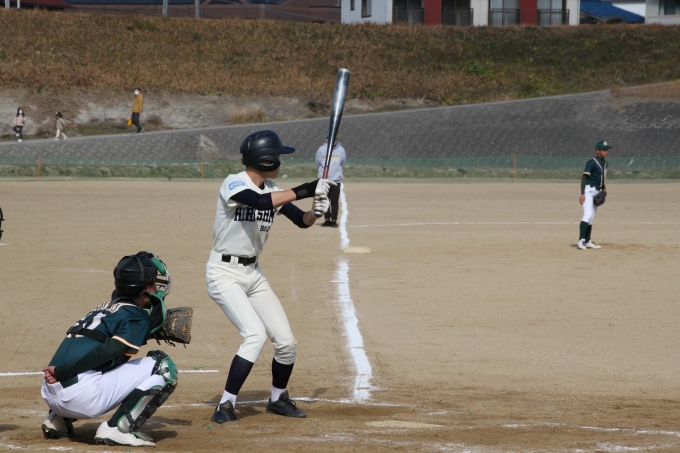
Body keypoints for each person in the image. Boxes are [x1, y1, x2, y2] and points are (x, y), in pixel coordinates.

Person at [206, 129, 333, 423]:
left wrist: (315, 212)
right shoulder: (234, 183)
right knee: (255, 335)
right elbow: (259, 202)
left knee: (286, 341)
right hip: (223, 273)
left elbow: (300, 220)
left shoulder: (273, 189)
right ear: (264, 160)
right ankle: (225, 405)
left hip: (253, 273)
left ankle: (278, 399)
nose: (280, 160)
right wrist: (307, 188)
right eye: (276, 155)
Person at [41, 251, 178, 447]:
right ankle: (118, 429)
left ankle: (58, 419)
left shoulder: (104, 309)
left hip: (51, 392)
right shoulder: (136, 316)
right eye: (154, 283)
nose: (157, 287)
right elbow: (109, 350)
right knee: (163, 367)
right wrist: (64, 372)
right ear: (147, 287)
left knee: (110, 360)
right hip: (80, 397)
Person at [577, 140, 611, 250]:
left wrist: (604, 190)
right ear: (597, 151)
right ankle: (581, 240)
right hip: (588, 190)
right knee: (588, 214)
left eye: (607, 150)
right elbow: (584, 178)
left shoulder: (605, 164)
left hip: (597, 191)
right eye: (604, 150)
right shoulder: (591, 162)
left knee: (591, 217)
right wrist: (582, 194)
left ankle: (587, 241)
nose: (606, 152)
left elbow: (603, 178)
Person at [315, 132, 346, 227]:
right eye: (330, 138)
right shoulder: (321, 149)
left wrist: (336, 173)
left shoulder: (341, 150)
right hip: (324, 180)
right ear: (326, 139)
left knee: (334, 201)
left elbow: (342, 163)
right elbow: (318, 162)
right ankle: (327, 219)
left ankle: (334, 220)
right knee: (325, 200)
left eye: (334, 139)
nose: (332, 140)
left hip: (335, 180)